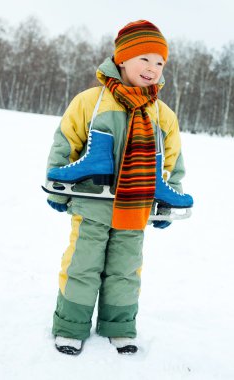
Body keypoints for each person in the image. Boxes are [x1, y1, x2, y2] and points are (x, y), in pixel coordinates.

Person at [45, 20, 186, 355]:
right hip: (92, 204)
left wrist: (169, 198)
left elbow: (172, 160)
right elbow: (65, 143)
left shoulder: (161, 114)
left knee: (125, 270)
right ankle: (70, 326)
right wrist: (57, 188)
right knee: (83, 265)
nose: (153, 69)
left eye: (160, 62)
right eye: (145, 59)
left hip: (135, 209)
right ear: (122, 59)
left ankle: (120, 326)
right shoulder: (91, 102)